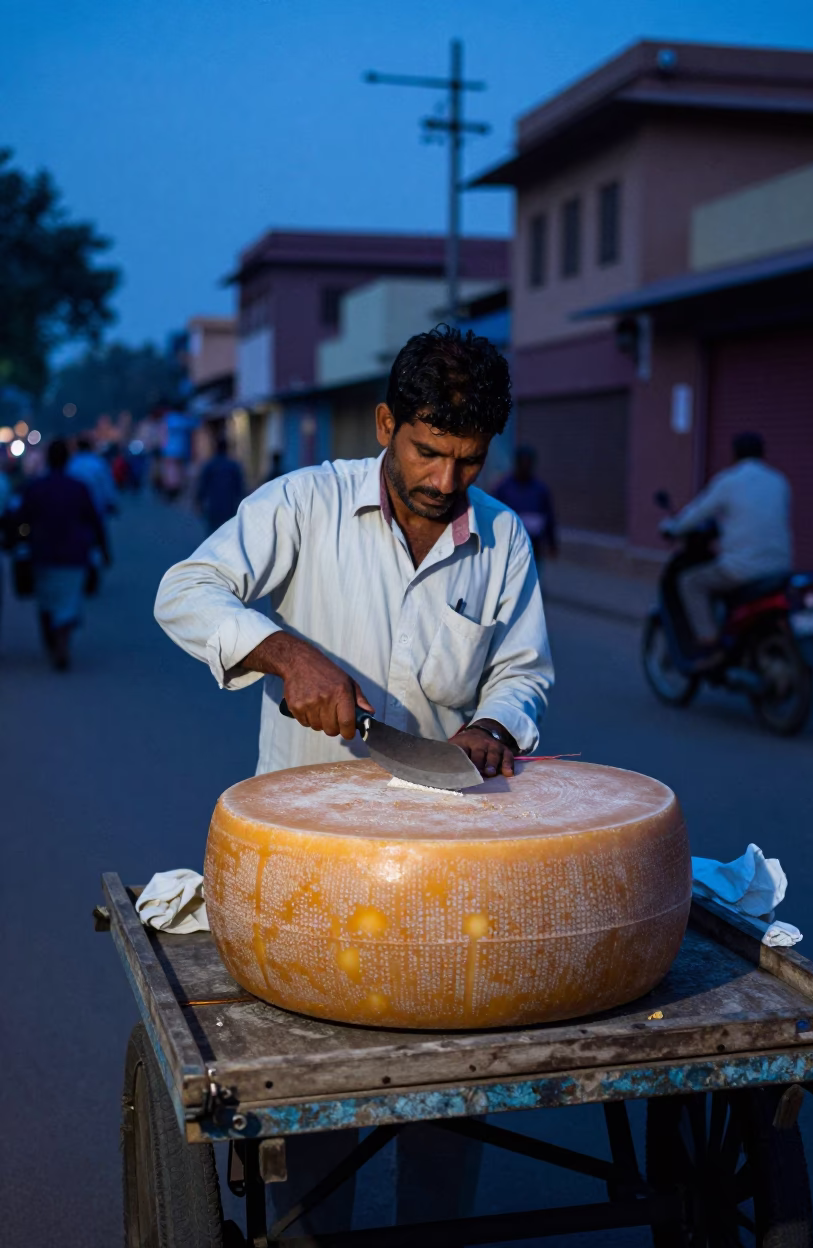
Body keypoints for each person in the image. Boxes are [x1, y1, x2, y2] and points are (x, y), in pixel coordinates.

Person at [154, 325, 554, 1233]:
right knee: (316, 1097)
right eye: (426, 450)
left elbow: (525, 672)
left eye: (466, 460)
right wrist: (283, 652)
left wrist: (496, 723)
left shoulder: (502, 538)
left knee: (454, 1085)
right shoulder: (301, 504)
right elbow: (185, 589)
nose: (444, 482)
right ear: (384, 424)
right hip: (310, 862)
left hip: (451, 861)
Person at [660, 431, 792, 659]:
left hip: (742, 570)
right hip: (781, 568)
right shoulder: (779, 481)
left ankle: (709, 642)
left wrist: (672, 527)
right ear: (763, 454)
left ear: (734, 455)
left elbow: (696, 513)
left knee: (690, 582)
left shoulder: (728, 482)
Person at [17, 438, 107, 670]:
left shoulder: (36, 487)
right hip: (73, 555)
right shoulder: (78, 488)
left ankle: (55, 643)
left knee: (47, 601)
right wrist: (103, 550)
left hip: (43, 554)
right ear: (67, 460)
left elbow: (21, 519)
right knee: (67, 602)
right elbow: (94, 521)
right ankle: (62, 642)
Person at [494, 446, 558, 560]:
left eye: (528, 463)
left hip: (534, 545)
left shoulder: (540, 489)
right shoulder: (503, 488)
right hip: (508, 544)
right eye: (522, 462)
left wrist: (552, 543)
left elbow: (549, 516)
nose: (525, 467)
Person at [195, 434, 245, 534]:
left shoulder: (210, 465)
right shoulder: (233, 466)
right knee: (228, 531)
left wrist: (198, 501)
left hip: (214, 505)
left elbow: (203, 485)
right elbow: (240, 487)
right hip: (229, 504)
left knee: (213, 532)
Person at [68, 436, 119, 518]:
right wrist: (111, 502)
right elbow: (106, 484)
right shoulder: (98, 463)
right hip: (96, 507)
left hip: (76, 508)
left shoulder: (71, 464)